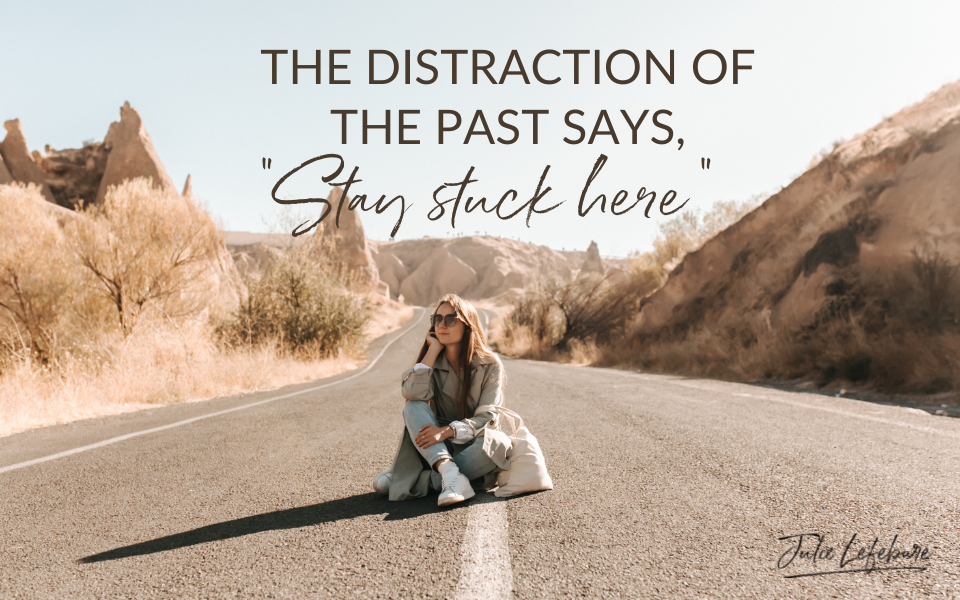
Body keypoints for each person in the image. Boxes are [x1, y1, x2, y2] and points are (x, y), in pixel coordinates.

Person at [373, 294, 510, 506]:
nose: (442, 325)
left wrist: (447, 431)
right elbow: (411, 393)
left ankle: (414, 479)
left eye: (450, 319)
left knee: (498, 444)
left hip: (474, 443)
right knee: (413, 406)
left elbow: (489, 417)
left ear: (467, 325)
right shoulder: (432, 362)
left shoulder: (490, 364)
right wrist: (432, 350)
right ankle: (448, 472)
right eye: (437, 319)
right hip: (439, 448)